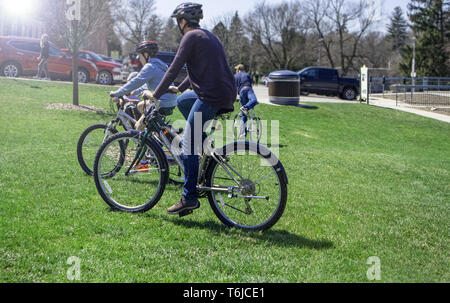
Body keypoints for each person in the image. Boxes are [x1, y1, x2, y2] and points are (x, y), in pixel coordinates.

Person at [142, 2, 237, 215]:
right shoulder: (208, 36)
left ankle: (189, 197)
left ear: (182, 21)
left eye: (178, 21)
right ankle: (202, 141)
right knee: (183, 101)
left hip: (212, 96)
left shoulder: (190, 37)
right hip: (223, 92)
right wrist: (180, 87)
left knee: (187, 143)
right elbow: (195, 69)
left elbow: (174, 68)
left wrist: (155, 94)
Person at [109, 41, 177, 130]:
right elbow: (148, 85)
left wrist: (117, 93)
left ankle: (148, 138)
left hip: (161, 102)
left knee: (138, 128)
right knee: (140, 106)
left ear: (146, 54)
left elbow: (136, 81)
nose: (139, 59)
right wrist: (133, 92)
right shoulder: (158, 65)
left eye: (139, 56)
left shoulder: (150, 66)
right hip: (170, 100)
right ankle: (154, 131)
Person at [234, 64, 259, 137]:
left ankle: (242, 133)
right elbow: (252, 82)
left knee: (243, 114)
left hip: (241, 92)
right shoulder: (247, 75)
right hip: (248, 89)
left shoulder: (235, 76)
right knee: (254, 100)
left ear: (237, 70)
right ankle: (246, 107)